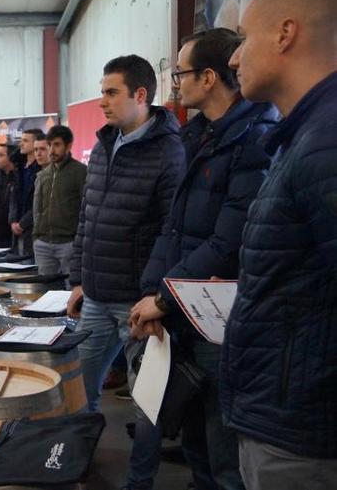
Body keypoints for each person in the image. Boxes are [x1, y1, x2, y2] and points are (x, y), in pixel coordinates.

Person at [128, 28, 278, 490]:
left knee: (223, 452)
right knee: (193, 440)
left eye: (181, 73)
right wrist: (154, 293)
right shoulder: (199, 136)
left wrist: (165, 298)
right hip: (184, 311)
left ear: (209, 77)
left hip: (220, 321)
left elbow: (228, 240)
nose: (175, 82)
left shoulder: (255, 140)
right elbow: (173, 229)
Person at [220, 0, 337, 488]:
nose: (233, 57)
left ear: (286, 34)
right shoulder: (304, 138)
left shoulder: (326, 141)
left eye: (243, 38)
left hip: (302, 432)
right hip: (279, 413)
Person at [65, 56, 186, 490]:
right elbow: (87, 218)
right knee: (82, 389)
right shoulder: (102, 145)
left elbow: (174, 231)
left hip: (137, 304)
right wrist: (78, 278)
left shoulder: (170, 152)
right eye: (101, 91)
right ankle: (81, 461)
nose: (102, 102)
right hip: (96, 296)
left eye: (111, 92)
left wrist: (156, 298)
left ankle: (139, 482)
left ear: (140, 95)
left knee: (145, 405)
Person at [32, 125, 87, 276]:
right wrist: (36, 237)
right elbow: (37, 209)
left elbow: (86, 208)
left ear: (68, 146)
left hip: (69, 244)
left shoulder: (80, 172)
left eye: (57, 145)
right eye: (49, 145)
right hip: (43, 244)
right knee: (46, 293)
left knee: (72, 292)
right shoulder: (43, 175)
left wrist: (79, 240)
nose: (51, 150)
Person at [9, 129, 44, 255]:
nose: (21, 144)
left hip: (32, 226)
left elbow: (39, 202)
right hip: (16, 227)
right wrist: (13, 220)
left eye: (25, 141)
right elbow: (13, 197)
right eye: (21, 141)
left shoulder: (41, 168)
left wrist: (23, 223)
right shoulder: (19, 167)